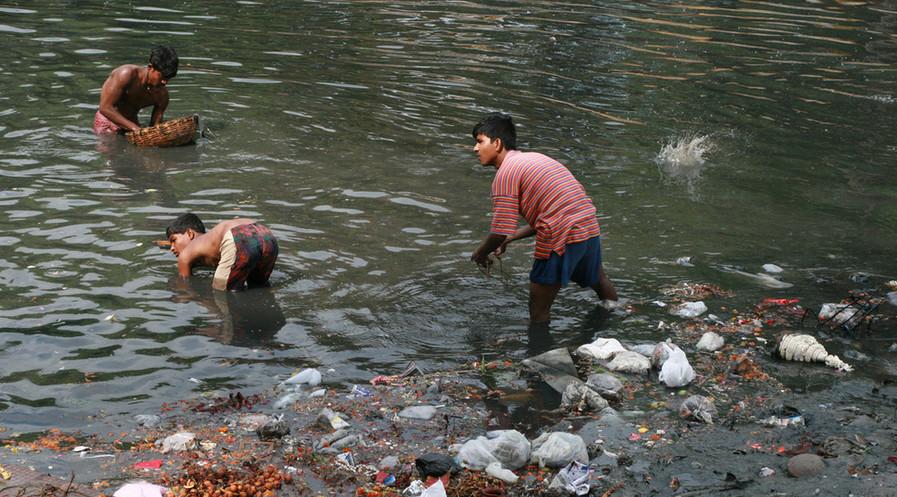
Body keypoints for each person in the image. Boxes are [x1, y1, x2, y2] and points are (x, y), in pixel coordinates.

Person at [469, 113, 618, 323]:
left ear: (498, 143)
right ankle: (613, 322)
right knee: (599, 280)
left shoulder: (505, 174)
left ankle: (539, 352)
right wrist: (509, 240)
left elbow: (499, 231)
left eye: (480, 142)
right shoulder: (535, 158)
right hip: (587, 224)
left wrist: (480, 253)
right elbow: (549, 214)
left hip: (561, 233)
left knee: (538, 308)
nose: (475, 149)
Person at [165, 213, 279, 291]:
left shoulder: (186, 254)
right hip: (266, 235)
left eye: (173, 240)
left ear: (190, 233)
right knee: (258, 287)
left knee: (221, 293)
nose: (172, 248)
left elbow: (186, 288)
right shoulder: (210, 241)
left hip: (239, 236)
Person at [94, 45, 179, 134]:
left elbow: (155, 127)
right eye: (163, 76)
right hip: (107, 121)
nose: (165, 82)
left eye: (169, 78)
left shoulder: (162, 96)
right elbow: (105, 107)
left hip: (132, 124)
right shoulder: (126, 75)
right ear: (150, 67)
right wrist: (136, 129)